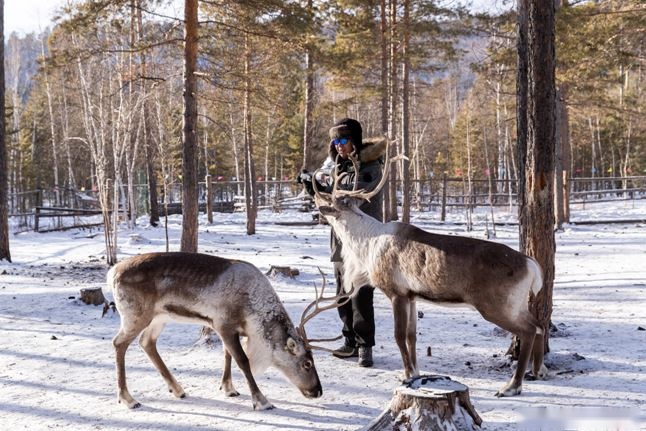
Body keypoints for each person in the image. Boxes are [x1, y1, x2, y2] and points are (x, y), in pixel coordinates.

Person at [299, 118, 386, 367]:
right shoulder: (339, 167)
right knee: (341, 293)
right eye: (335, 141)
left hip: (362, 242)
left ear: (355, 141)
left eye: (343, 140)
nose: (339, 146)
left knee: (361, 294)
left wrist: (331, 193)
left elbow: (353, 199)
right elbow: (330, 199)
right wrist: (312, 187)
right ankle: (349, 340)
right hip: (340, 240)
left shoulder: (371, 167)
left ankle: (364, 346)